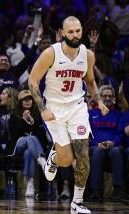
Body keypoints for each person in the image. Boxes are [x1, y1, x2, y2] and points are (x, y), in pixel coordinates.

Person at [28, 16, 109, 213]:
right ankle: (54, 158)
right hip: (54, 109)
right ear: (63, 33)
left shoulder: (88, 55)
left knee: (83, 156)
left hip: (77, 108)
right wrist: (43, 109)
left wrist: (98, 101)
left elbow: (89, 81)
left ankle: (77, 203)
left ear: (82, 31)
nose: (75, 35)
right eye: (71, 32)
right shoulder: (50, 53)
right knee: (65, 160)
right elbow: (32, 80)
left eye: (78, 31)